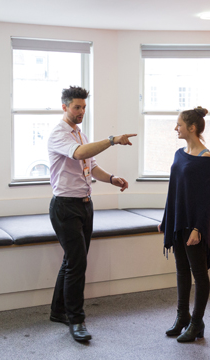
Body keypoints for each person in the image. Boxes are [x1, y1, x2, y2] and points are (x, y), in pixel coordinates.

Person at [47, 85, 134, 342]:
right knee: (77, 263)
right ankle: (76, 320)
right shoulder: (59, 135)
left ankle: (58, 311)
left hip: (85, 204)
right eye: (77, 107)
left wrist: (112, 178)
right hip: (65, 206)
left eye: (84, 107)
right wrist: (112, 139)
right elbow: (79, 154)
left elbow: (91, 165)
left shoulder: (80, 134)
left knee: (73, 260)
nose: (81, 111)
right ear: (64, 107)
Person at [160, 106, 210, 342]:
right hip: (178, 220)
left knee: (199, 274)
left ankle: (196, 322)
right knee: (182, 270)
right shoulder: (178, 153)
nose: (176, 128)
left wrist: (197, 229)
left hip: (195, 224)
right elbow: (173, 189)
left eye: (179, 124)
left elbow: (206, 200)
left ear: (191, 128)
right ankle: (182, 316)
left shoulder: (206, 159)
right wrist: (166, 219)